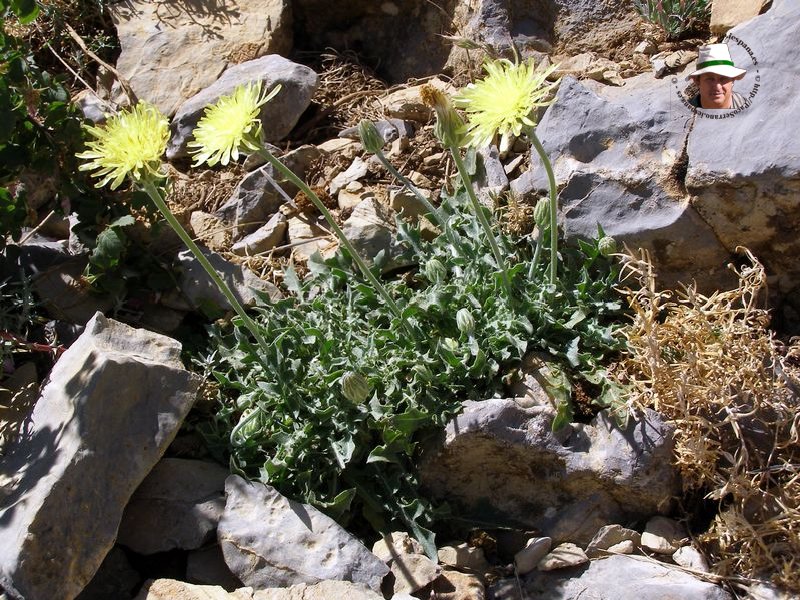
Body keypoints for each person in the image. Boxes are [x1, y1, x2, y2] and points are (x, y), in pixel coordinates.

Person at [685, 43, 747, 109]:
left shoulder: (750, 112)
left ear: (733, 80)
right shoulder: (683, 114)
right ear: (697, 81)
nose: (717, 86)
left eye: (723, 78)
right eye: (710, 79)